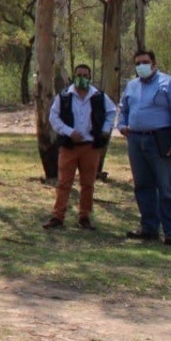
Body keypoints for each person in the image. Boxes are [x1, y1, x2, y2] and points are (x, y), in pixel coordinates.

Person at [118, 49, 171, 245]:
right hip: (136, 140)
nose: (141, 66)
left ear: (154, 64)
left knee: (166, 187)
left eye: (145, 62)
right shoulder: (131, 86)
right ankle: (149, 227)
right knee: (142, 186)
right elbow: (123, 109)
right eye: (138, 63)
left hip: (161, 141)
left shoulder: (169, 84)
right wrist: (122, 126)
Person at [43, 64, 116, 230]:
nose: (82, 78)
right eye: (79, 74)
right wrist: (69, 132)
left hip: (91, 146)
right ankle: (57, 216)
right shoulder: (64, 97)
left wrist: (105, 129)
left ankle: (84, 217)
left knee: (88, 183)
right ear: (73, 77)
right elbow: (54, 118)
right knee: (63, 183)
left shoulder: (98, 96)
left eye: (85, 75)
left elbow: (112, 112)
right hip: (69, 146)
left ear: (90, 78)